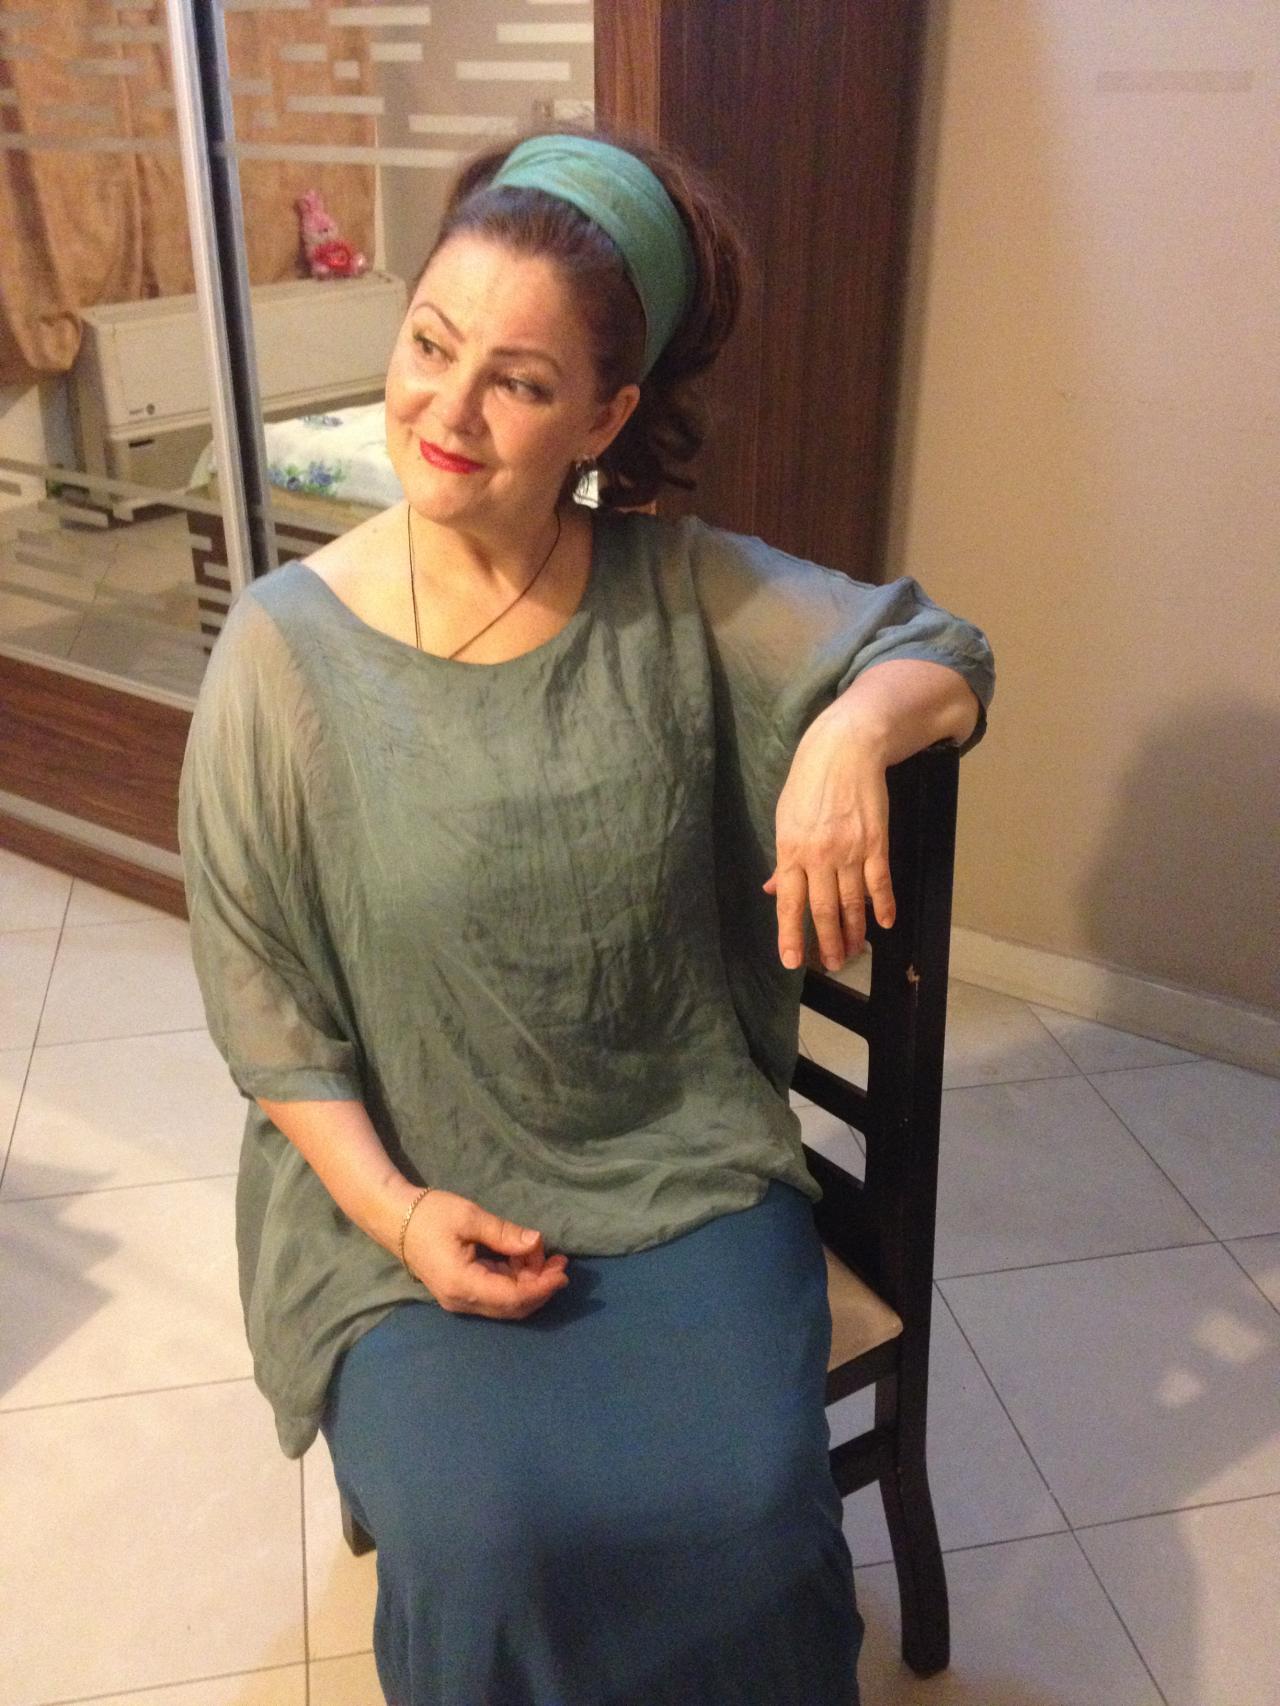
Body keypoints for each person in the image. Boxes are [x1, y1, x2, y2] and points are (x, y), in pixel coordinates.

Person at [178, 127, 995, 1706]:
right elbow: (263, 1005)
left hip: (676, 1167)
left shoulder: (680, 593)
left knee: (752, 1516)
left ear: (605, 418)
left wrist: (845, 733)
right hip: (398, 1191)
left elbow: (943, 651)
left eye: (521, 381)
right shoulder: (281, 654)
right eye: (432, 344)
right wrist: (401, 1215)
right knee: (487, 1541)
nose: (448, 411)